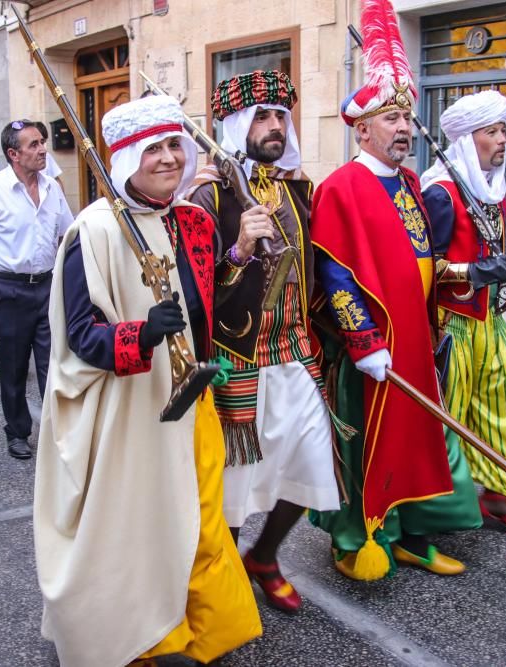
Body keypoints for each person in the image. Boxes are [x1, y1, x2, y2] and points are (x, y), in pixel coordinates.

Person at [32, 93, 260, 667]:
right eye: (152, 148)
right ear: (130, 156)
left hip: (191, 403)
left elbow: (209, 305)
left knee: (203, 522)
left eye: (173, 146)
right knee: (141, 530)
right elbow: (80, 337)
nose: (168, 159)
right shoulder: (94, 232)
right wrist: (139, 334)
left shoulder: (195, 222)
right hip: (130, 414)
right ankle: (142, 640)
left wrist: (240, 254)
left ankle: (201, 632)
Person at [308, 0, 479, 579]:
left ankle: (411, 534)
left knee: (418, 440)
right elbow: (334, 274)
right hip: (374, 350)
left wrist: (461, 283)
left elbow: (422, 259)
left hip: (416, 337)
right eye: (391, 119)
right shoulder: (340, 188)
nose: (404, 128)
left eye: (406, 119)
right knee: (369, 443)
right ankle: (356, 538)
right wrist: (363, 341)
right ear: (361, 128)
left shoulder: (408, 180)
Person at [185, 70, 339, 613]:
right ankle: (221, 583)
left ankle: (265, 556)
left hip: (295, 351)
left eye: (281, 116)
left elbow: (317, 271)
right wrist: (241, 249)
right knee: (233, 488)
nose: (275, 126)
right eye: (262, 116)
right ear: (236, 124)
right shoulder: (205, 195)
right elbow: (196, 294)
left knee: (311, 465)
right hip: (238, 356)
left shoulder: (299, 191)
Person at [420, 90, 506, 527]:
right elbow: (425, 267)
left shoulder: (495, 190)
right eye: (492, 131)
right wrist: (472, 271)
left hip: (490, 319)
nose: (502, 139)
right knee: (449, 414)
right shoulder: (441, 194)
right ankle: (435, 505)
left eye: (503, 129)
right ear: (469, 140)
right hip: (453, 323)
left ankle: (495, 489)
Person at [0, 121, 71, 459]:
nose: (42, 150)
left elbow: (66, 235)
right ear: (14, 154)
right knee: (13, 366)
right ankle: (18, 432)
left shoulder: (52, 187)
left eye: (42, 142)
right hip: (7, 288)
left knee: (53, 365)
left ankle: (57, 434)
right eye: (33, 144)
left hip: (47, 286)